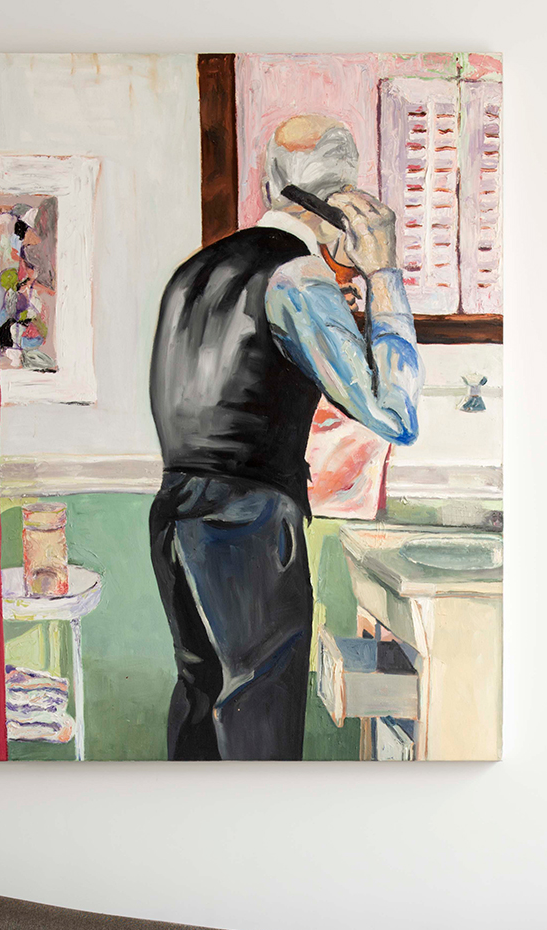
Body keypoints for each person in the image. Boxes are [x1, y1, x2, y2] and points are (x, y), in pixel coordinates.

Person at [148, 115, 422, 761]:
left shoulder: (194, 271)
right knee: (257, 711)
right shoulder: (298, 278)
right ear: (343, 198)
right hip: (249, 521)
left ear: (270, 180)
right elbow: (395, 413)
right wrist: (382, 275)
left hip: (175, 510)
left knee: (202, 696)